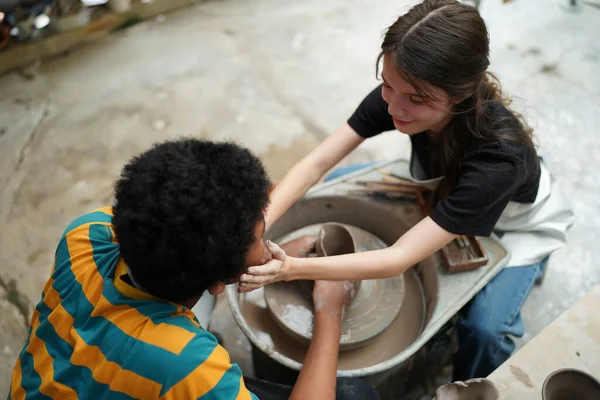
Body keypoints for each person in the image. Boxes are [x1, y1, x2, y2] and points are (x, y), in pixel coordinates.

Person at [239, 0, 574, 381]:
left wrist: (290, 269)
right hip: (443, 187)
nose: (394, 107)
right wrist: (256, 226)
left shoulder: (500, 159)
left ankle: (477, 384)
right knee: (338, 182)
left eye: (415, 99)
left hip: (516, 227)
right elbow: (317, 164)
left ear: (460, 96)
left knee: (483, 329)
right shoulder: (402, 93)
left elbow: (398, 258)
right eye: (387, 85)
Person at [9, 139, 379, 399]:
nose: (266, 243)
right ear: (219, 282)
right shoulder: (188, 365)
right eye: (261, 237)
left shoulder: (86, 234)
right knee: (354, 394)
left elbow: (186, 231)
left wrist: (259, 257)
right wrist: (329, 310)